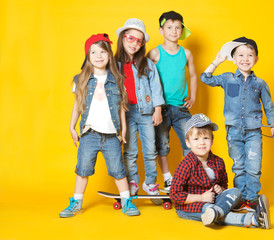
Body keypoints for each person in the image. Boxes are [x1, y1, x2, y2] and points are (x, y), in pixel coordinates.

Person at [59, 33, 140, 218]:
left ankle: (126, 201)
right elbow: (77, 105)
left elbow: (121, 108)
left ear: (109, 55)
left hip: (112, 135)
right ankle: (76, 203)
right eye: (93, 52)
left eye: (103, 51)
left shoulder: (118, 80)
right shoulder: (81, 80)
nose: (98, 56)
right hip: (89, 134)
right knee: (82, 170)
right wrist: (71, 127)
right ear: (88, 56)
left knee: (119, 171)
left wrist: (124, 132)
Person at [200, 37, 274, 211]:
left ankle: (251, 198)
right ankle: (240, 197)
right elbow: (205, 78)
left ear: (256, 59)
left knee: (253, 165)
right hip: (233, 131)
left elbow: (268, 105)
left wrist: (273, 123)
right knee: (239, 166)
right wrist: (217, 61)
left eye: (250, 55)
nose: (245, 59)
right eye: (241, 55)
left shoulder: (260, 84)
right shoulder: (227, 78)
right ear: (234, 59)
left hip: (253, 132)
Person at [170, 114, 270, 229]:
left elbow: (224, 184)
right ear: (188, 142)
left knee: (236, 192)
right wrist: (201, 198)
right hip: (190, 206)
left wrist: (221, 189)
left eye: (206, 138)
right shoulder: (186, 165)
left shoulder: (218, 162)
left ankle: (217, 213)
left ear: (212, 141)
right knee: (210, 209)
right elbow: (175, 194)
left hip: (214, 201)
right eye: (196, 139)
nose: (202, 143)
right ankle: (254, 220)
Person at [147, 11, 197, 191]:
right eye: (169, 27)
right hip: (161, 108)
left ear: (182, 30)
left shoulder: (187, 53)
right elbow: (145, 78)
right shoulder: (154, 53)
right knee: (162, 143)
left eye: (177, 27)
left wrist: (193, 97)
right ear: (161, 30)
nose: (174, 31)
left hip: (181, 107)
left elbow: (192, 75)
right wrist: (152, 105)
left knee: (190, 142)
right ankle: (168, 178)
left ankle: (189, 178)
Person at [115, 18, 165, 196]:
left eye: (139, 41)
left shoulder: (148, 64)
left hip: (146, 113)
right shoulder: (114, 65)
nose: (134, 44)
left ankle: (150, 183)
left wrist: (157, 109)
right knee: (130, 150)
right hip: (125, 113)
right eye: (131, 38)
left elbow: (156, 87)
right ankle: (132, 181)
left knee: (150, 150)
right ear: (122, 38)